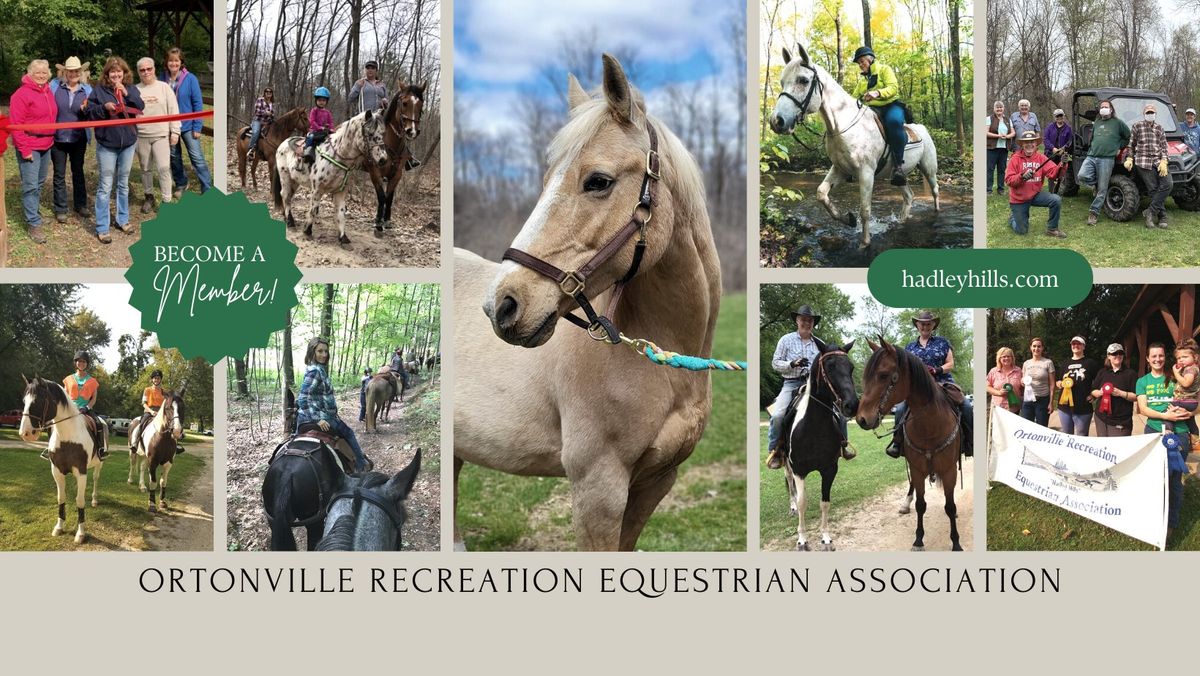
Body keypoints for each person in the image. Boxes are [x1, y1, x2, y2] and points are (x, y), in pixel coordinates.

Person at [765, 304, 853, 469]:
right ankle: (775, 450)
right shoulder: (786, 340)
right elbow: (775, 363)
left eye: (810, 320)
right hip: (791, 383)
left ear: (813, 323)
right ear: (797, 320)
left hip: (814, 386)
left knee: (840, 414)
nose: (807, 323)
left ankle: (843, 446)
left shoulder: (820, 344)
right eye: (803, 319)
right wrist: (792, 363)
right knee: (777, 416)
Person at [885, 311, 973, 458]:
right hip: (917, 388)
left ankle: (970, 443)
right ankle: (897, 443)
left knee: (966, 406)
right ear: (917, 326)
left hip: (943, 383)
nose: (925, 326)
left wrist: (937, 369)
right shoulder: (909, 347)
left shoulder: (943, 342)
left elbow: (950, 363)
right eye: (922, 324)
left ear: (933, 326)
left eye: (928, 324)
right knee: (900, 409)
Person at [1136, 343, 1192, 542]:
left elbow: (1194, 399)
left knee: (1174, 480)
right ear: (1148, 359)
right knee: (1154, 478)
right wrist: (1164, 414)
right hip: (1152, 431)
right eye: (1154, 356)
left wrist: (1191, 412)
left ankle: (1171, 523)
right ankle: (1154, 519)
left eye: (1161, 355)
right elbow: (1143, 408)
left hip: (1180, 432)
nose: (1158, 359)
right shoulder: (1142, 381)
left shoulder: (1175, 377)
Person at [85, 56, 144, 244]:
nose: (116, 75)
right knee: (105, 186)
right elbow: (89, 113)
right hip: (107, 144)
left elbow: (140, 106)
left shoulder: (131, 88)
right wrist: (104, 107)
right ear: (107, 74)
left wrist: (126, 93)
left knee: (123, 183)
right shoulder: (98, 91)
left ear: (124, 73)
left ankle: (122, 219)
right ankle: (102, 227)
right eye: (112, 72)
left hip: (128, 143)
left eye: (119, 71)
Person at [296, 337, 369, 472]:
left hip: (315, 414)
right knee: (349, 433)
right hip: (320, 416)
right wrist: (317, 419)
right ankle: (360, 464)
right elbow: (302, 399)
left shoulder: (315, 368)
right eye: (320, 351)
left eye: (326, 351)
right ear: (312, 352)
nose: (324, 355)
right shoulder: (315, 371)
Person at [10, 59, 57, 244]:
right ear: (30, 73)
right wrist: (24, 148)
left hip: (46, 144)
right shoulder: (21, 95)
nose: (41, 75)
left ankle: (34, 214)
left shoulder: (48, 91)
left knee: (38, 182)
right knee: (30, 186)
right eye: (37, 72)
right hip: (30, 145)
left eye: (44, 72)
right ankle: (33, 223)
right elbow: (16, 125)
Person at [849, 46, 909, 186]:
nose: (860, 65)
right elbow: (854, 98)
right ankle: (852, 164)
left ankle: (898, 167)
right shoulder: (863, 80)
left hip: (891, 105)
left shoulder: (884, 69)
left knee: (893, 122)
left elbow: (893, 88)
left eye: (862, 61)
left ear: (870, 59)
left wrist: (877, 93)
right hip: (873, 109)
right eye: (859, 63)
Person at [162, 47, 211, 197]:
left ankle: (207, 188)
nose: (173, 63)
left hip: (188, 126)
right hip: (169, 126)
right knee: (174, 157)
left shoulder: (190, 79)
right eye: (171, 60)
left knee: (197, 158)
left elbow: (197, 104)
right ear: (167, 62)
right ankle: (181, 183)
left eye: (176, 60)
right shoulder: (161, 78)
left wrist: (198, 125)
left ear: (181, 62)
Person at [49, 57, 92, 227]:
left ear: (80, 72)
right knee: (59, 174)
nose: (73, 74)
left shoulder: (87, 90)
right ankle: (60, 208)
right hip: (57, 137)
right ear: (65, 72)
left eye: (76, 71)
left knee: (78, 171)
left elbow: (93, 112)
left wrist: (86, 110)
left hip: (78, 137)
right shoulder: (54, 87)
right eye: (70, 71)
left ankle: (80, 204)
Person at [134, 56, 180, 214]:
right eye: (142, 70)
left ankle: (166, 200)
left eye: (149, 69)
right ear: (138, 72)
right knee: (145, 168)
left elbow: (174, 110)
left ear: (154, 69)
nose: (146, 72)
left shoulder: (164, 87)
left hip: (161, 134)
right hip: (142, 135)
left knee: (163, 167)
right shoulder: (135, 89)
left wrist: (175, 131)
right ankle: (149, 196)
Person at [1005, 130, 1067, 238]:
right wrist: (1022, 176)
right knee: (1022, 231)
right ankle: (1013, 218)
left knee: (1056, 200)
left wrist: (1063, 164)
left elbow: (1053, 174)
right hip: (1019, 199)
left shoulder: (1041, 158)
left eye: (1032, 142)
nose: (1029, 144)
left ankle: (1052, 229)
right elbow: (1009, 180)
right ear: (1022, 145)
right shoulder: (1015, 159)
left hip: (1035, 195)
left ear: (1036, 144)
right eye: (1026, 142)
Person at [1077, 99, 1130, 226]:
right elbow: (1094, 138)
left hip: (1107, 159)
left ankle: (1094, 213)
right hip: (1092, 156)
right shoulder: (1097, 122)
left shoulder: (1118, 123)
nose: (1103, 108)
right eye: (1101, 107)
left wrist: (1119, 147)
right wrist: (1091, 148)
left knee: (1102, 190)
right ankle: (1095, 184)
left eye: (1106, 106)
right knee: (1082, 176)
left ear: (1111, 109)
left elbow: (1127, 137)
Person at [1126, 102, 1172, 229]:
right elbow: (1131, 145)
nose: (1150, 114)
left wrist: (1164, 161)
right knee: (1153, 188)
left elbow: (1164, 147)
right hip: (1143, 161)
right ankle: (1162, 216)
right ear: (1144, 114)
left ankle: (1150, 212)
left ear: (1155, 114)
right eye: (1148, 112)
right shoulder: (1137, 126)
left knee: (1168, 184)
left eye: (1152, 112)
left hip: (1158, 161)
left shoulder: (1159, 128)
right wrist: (1130, 158)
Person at [55, 351, 106, 460]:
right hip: (69, 409)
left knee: (98, 423)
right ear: (75, 363)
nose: (81, 363)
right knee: (55, 422)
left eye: (84, 361)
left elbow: (94, 399)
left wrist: (86, 407)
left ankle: (100, 450)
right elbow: (64, 396)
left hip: (85, 409)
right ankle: (51, 449)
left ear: (87, 364)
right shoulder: (68, 379)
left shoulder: (93, 381)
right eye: (79, 361)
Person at [1089, 343, 1138, 437]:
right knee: (1103, 448)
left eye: (1120, 353)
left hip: (1121, 420)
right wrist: (1100, 393)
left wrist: (1121, 393)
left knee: (1118, 450)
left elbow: (1136, 396)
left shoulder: (1131, 374)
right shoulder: (1102, 372)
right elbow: (1093, 390)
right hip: (1101, 418)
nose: (1118, 356)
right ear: (1108, 356)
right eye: (1114, 353)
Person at [1056, 336, 1099, 436]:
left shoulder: (1090, 363)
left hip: (1083, 407)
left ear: (1084, 346)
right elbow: (1059, 380)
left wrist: (1094, 395)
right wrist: (1059, 383)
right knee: (1067, 436)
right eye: (1073, 344)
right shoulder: (1065, 363)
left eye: (1079, 344)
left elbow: (1099, 381)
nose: (1076, 346)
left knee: (1082, 437)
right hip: (1064, 407)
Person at [1020, 337, 1054, 426]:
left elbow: (1052, 385)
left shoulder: (1048, 362)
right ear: (1030, 347)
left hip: (1043, 400)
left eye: (1039, 346)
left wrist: (1051, 402)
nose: (1036, 349)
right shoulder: (1026, 363)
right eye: (1034, 346)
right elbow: (1023, 380)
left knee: (1042, 429)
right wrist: (1022, 382)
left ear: (1042, 348)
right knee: (1027, 428)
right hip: (1028, 401)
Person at [1171, 339, 1200, 438]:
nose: (1181, 360)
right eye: (1179, 358)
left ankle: (1168, 432)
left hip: (1186, 400)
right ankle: (1195, 437)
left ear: (1195, 357)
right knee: (1190, 421)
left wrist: (1175, 373)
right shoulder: (1188, 369)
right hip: (1189, 401)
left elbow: (1186, 383)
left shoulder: (1191, 369)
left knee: (1167, 410)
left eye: (1185, 357)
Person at [132, 369, 165, 452]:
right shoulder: (147, 390)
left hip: (160, 413)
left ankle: (174, 445)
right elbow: (144, 403)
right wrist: (151, 411)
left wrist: (161, 412)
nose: (156, 380)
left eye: (158, 378)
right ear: (152, 379)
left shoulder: (164, 391)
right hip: (149, 411)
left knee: (170, 424)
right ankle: (135, 443)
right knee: (141, 424)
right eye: (155, 378)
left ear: (160, 379)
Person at [985, 101, 1014, 195]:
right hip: (992, 148)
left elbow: (1013, 132)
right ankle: (988, 190)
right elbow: (986, 132)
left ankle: (1001, 189)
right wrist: (998, 136)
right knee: (990, 169)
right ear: (994, 109)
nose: (999, 109)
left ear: (1003, 108)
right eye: (997, 107)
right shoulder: (989, 118)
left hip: (1004, 148)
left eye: (1000, 107)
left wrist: (1008, 136)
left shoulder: (1007, 120)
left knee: (1002, 169)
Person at [302, 86, 335, 166]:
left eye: (323, 100)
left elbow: (331, 122)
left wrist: (331, 129)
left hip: (324, 132)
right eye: (319, 100)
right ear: (316, 100)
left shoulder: (328, 113)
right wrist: (320, 128)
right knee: (310, 137)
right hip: (315, 131)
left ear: (326, 101)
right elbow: (312, 121)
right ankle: (307, 152)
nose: (321, 102)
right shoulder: (314, 110)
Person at [986, 347, 1023, 414]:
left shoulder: (1018, 370)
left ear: (1012, 358)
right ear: (999, 358)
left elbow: (1022, 387)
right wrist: (999, 393)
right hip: (998, 408)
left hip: (1014, 409)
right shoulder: (993, 371)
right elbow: (987, 387)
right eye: (1003, 356)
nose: (1006, 358)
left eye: (1008, 356)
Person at [246, 86, 275, 162]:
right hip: (258, 121)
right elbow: (257, 111)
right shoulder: (260, 100)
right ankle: (251, 149)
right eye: (267, 92)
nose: (268, 93)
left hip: (267, 122)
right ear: (264, 93)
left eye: (270, 92)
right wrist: (266, 113)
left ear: (272, 94)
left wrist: (272, 115)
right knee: (256, 132)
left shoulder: (271, 103)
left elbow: (272, 114)